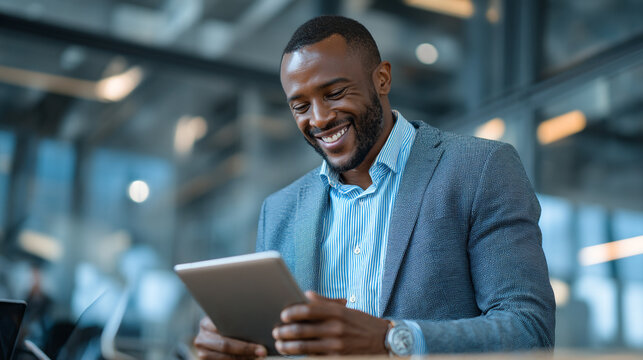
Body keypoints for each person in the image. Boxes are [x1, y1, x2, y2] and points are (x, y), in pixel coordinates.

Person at [194, 15, 555, 358]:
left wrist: (389, 340)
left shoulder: (479, 169)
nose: (318, 119)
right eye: (300, 105)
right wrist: (233, 345)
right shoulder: (280, 210)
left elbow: (530, 331)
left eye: (334, 93)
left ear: (382, 79)